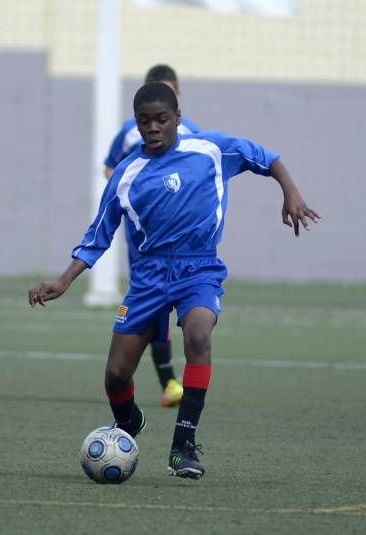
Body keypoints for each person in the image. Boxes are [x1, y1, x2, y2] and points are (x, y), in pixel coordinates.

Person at [30, 82, 320, 479]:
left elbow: (267, 158)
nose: (153, 128)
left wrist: (291, 193)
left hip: (198, 268)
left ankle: (183, 445)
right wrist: (64, 281)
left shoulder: (210, 150)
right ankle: (129, 421)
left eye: (161, 120)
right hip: (149, 276)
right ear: (137, 123)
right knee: (116, 374)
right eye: (144, 121)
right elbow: (98, 233)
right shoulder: (127, 174)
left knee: (199, 333)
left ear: (177, 119)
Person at [103, 64, 202, 408]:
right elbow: (110, 168)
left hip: (185, 247)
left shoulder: (194, 135)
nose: (154, 126)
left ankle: (169, 382)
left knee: (183, 311)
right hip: (142, 238)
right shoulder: (131, 134)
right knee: (152, 306)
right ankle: (167, 381)